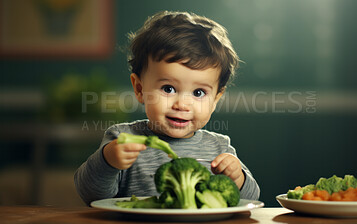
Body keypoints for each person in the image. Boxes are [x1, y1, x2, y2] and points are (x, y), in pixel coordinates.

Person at [74, 11, 260, 205]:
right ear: (139, 89)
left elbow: (250, 199)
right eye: (168, 88)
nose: (182, 105)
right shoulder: (122, 138)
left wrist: (238, 179)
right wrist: (108, 161)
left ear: (215, 99)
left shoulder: (219, 147)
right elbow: (89, 194)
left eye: (198, 93)